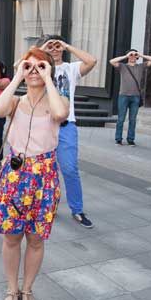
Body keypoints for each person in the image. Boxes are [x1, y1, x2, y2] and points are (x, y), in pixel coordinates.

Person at [0, 48, 69, 300]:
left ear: (50, 69)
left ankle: (28, 289)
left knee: (36, 239)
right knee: (12, 237)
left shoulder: (59, 100)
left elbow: (60, 115)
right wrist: (17, 77)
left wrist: (48, 79)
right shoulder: (16, 101)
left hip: (44, 177)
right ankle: (12, 289)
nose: (34, 70)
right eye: (29, 66)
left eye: (41, 66)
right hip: (15, 175)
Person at [38, 35, 97, 229]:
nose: (54, 49)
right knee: (44, 170)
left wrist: (67, 46)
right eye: (51, 46)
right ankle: (46, 205)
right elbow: (18, 65)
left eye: (57, 46)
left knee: (70, 169)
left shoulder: (71, 69)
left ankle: (77, 209)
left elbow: (92, 61)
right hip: (43, 124)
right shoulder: (39, 67)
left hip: (66, 125)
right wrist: (42, 48)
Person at [110, 50, 151, 146]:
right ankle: (118, 139)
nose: (132, 56)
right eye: (131, 55)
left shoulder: (141, 66)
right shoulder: (123, 67)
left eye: (134, 55)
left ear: (137, 57)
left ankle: (130, 139)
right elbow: (112, 61)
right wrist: (125, 55)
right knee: (121, 119)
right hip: (123, 96)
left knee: (133, 119)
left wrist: (140, 54)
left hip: (135, 97)